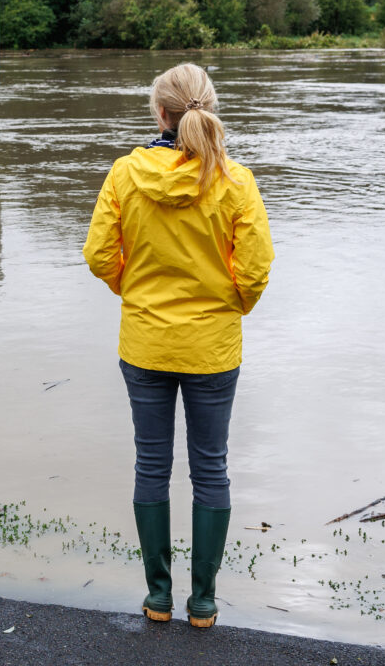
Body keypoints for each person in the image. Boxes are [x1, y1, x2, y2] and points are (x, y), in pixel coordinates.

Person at [83, 62, 274, 628]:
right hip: (212, 348)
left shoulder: (124, 174)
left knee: (151, 465)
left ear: (159, 113)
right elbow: (256, 269)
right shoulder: (235, 180)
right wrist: (229, 305)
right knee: (210, 469)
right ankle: (205, 602)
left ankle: (158, 597)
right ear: (209, 109)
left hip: (144, 342)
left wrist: (132, 288)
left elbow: (98, 254)